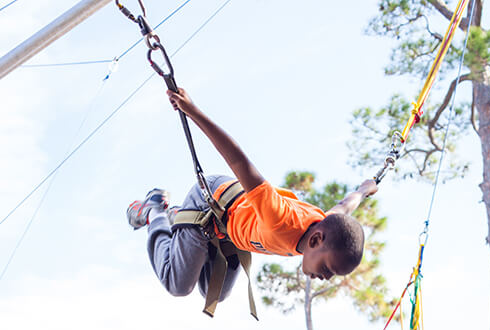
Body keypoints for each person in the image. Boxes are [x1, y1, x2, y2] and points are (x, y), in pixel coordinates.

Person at [127, 87, 378, 309]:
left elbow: (346, 206)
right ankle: (156, 211)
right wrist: (192, 111)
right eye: (327, 268)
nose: (325, 277)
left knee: (214, 293)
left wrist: (365, 189)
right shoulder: (281, 218)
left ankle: (178, 219)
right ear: (316, 239)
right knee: (178, 284)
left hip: (234, 229)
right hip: (212, 203)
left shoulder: (326, 224)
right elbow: (238, 161)